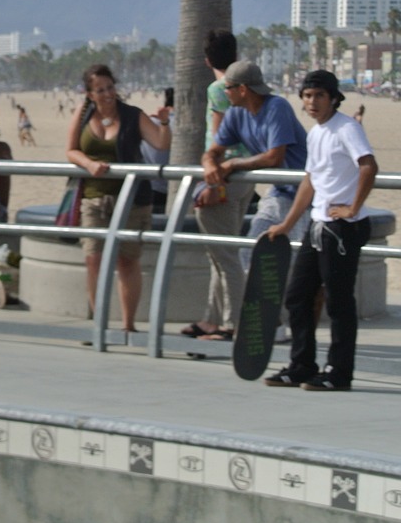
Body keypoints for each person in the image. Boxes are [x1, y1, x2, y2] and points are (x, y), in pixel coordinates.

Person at [264, 71, 377, 392]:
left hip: (343, 228)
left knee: (339, 302)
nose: (311, 102)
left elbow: (368, 166)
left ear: (333, 98)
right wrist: (287, 225)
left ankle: (338, 373)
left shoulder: (347, 128)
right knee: (298, 297)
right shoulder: (316, 134)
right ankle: (302, 365)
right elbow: (310, 181)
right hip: (318, 226)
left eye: (318, 96)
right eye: (307, 96)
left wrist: (353, 208)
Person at [200, 60, 309, 339]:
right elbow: (214, 150)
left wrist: (234, 164)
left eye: (228, 88)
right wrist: (210, 164)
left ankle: (287, 327)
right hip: (278, 192)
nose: (225, 93)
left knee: (292, 264)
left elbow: (275, 156)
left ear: (244, 89)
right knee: (251, 253)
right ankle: (270, 324)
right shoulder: (236, 113)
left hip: (305, 194)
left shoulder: (277, 108)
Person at [64, 64, 171, 332]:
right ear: (89, 94)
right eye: (100, 90)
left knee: (127, 261)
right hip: (93, 198)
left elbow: (160, 143)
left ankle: (128, 324)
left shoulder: (133, 115)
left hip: (132, 199)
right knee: (93, 260)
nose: (107, 94)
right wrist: (88, 164)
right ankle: (99, 323)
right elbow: (71, 151)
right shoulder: (84, 114)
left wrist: (165, 122)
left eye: (110, 87)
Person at [182, 32, 255, 341]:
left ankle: (231, 323)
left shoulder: (218, 88)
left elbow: (218, 138)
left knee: (225, 257)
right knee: (220, 254)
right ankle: (212, 319)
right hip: (246, 177)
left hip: (222, 177)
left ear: (207, 60)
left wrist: (212, 181)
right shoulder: (247, 87)